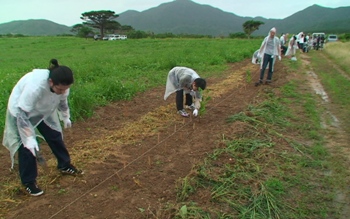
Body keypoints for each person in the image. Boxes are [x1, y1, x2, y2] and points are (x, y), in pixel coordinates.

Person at [2, 59, 83, 197]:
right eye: (60, 89)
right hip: (22, 112)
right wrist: (28, 137)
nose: (62, 92)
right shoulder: (35, 87)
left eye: (65, 89)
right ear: (51, 82)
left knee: (54, 135)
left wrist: (65, 116)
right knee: (27, 147)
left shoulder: (62, 87)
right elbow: (22, 114)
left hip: (43, 109)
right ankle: (28, 182)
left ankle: (64, 164)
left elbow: (63, 101)